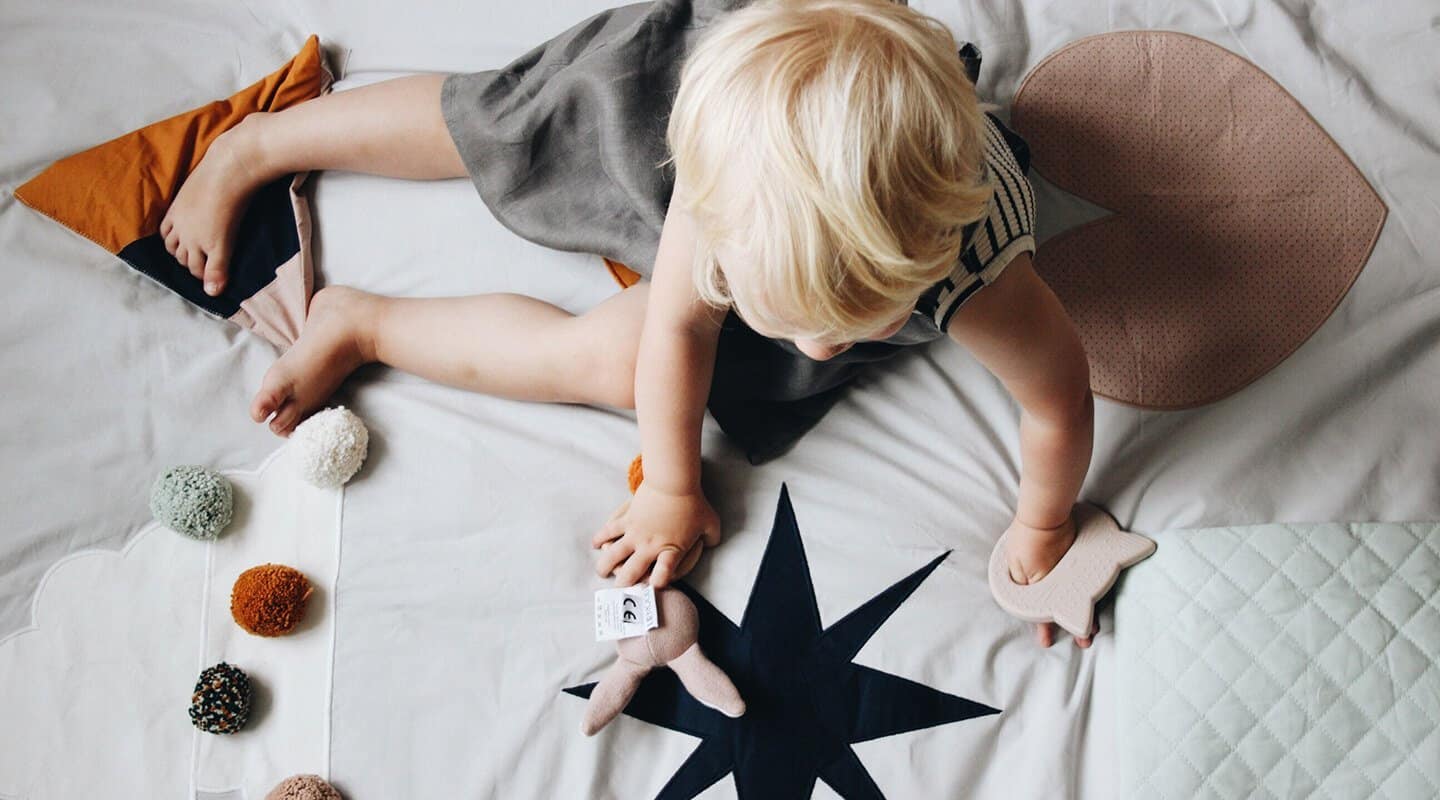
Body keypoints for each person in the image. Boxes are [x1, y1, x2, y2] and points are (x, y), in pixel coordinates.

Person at [158, 0, 1096, 647]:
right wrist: (672, 486)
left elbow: (1056, 403)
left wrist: (1041, 524)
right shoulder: (719, 190)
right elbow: (682, 329)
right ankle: (264, 143)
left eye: (849, 326)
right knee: (518, 121)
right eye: (797, 320)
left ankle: (365, 326)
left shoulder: (975, 263)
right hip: (727, 93)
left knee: (618, 362)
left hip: (856, 142)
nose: (820, 349)